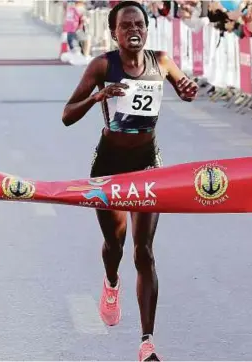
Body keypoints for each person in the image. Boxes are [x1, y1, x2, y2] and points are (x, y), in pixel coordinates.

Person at [62, 1, 198, 360]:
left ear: (146, 29)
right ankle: (110, 282)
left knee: (144, 252)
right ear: (114, 33)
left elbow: (184, 85)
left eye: (138, 24)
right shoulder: (103, 65)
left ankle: (147, 341)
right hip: (109, 165)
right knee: (115, 245)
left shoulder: (161, 60)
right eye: (125, 26)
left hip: (147, 166)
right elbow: (67, 116)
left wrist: (186, 89)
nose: (133, 30)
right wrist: (97, 96)